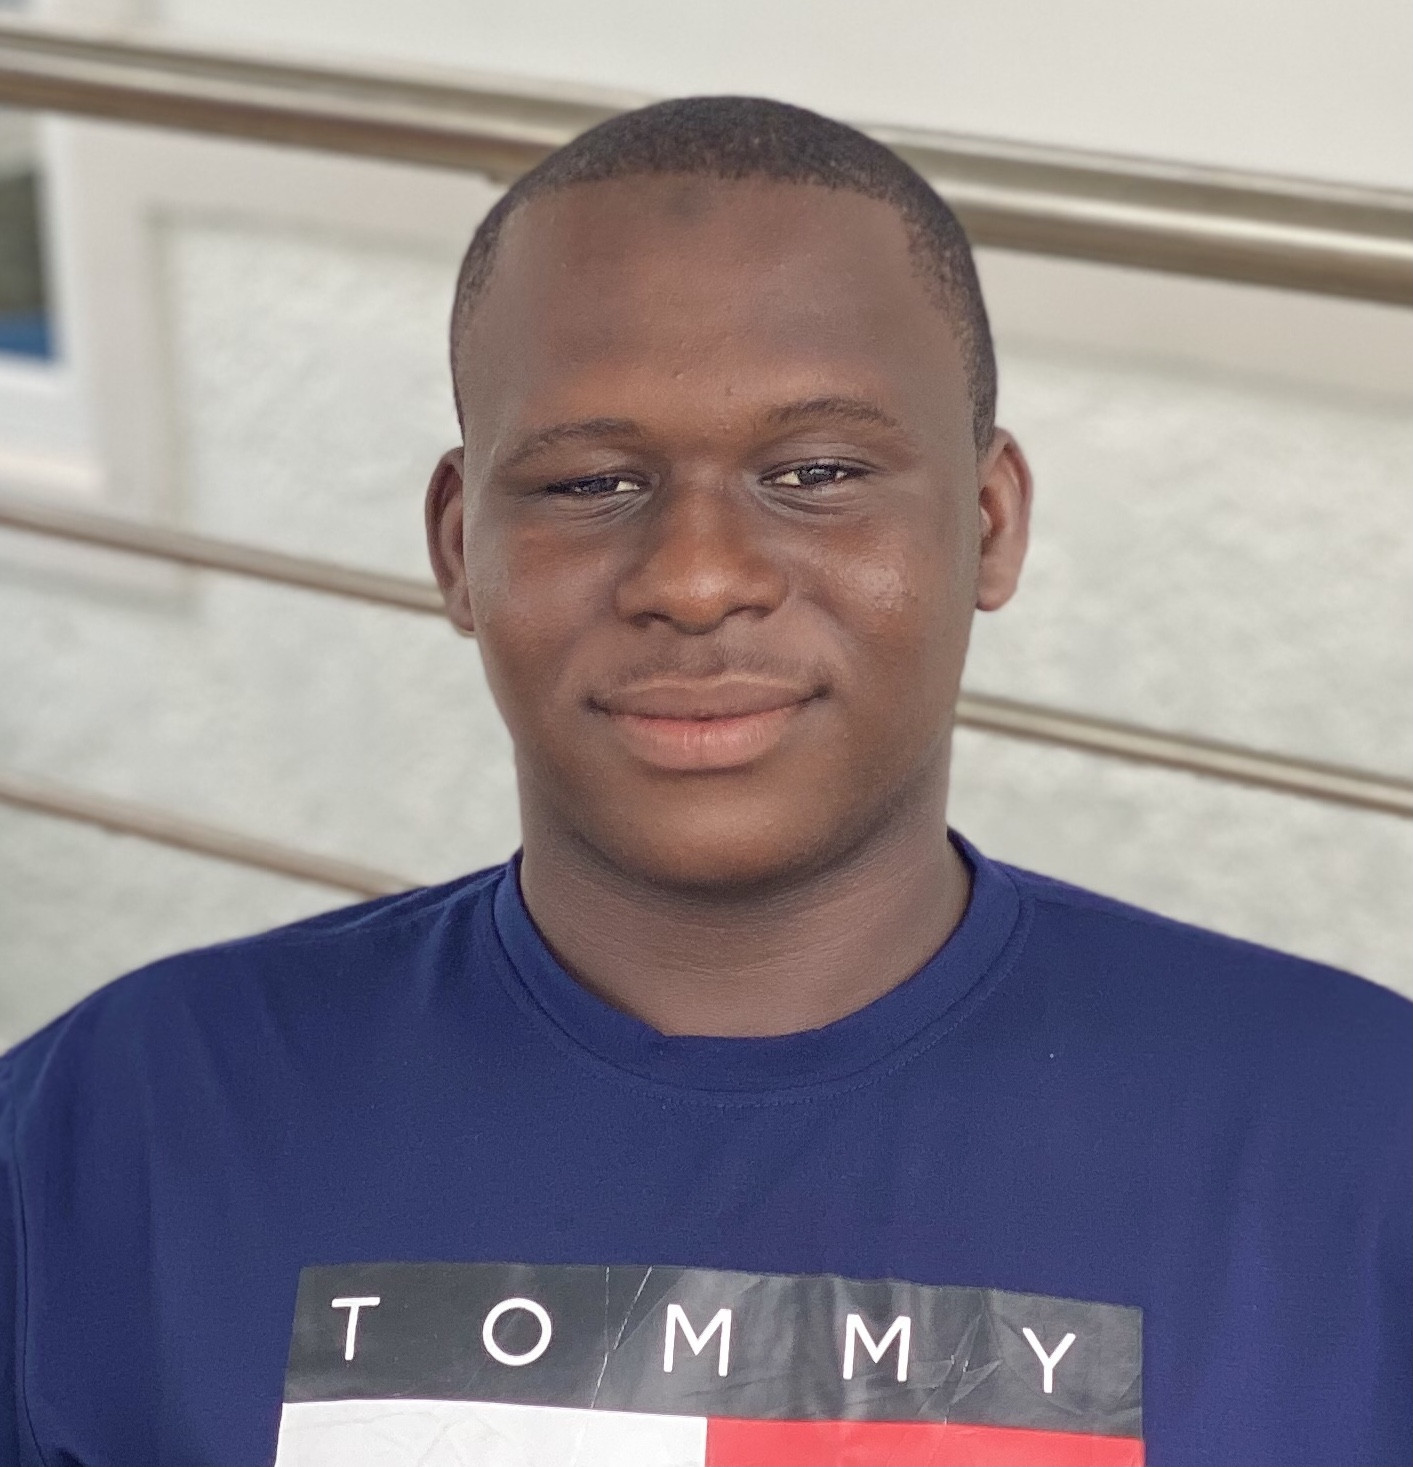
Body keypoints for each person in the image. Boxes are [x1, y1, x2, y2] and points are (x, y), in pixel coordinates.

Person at [1, 97, 1407, 1467]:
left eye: (817, 471)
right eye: (587, 484)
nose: (695, 577)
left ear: (987, 524)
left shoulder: (1354, 1137)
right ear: (456, 548)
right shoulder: (119, 1126)